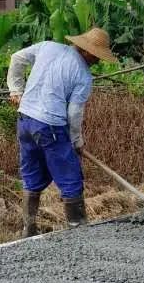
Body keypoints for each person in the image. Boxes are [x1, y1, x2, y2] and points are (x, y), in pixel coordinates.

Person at [6, 27, 116, 236]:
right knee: (70, 178)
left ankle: (28, 230)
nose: (97, 61)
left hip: (25, 121)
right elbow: (74, 113)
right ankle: (78, 232)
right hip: (50, 127)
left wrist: (16, 90)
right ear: (87, 51)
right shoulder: (83, 75)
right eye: (96, 56)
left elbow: (16, 58)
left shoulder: (47, 47)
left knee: (32, 176)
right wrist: (76, 141)